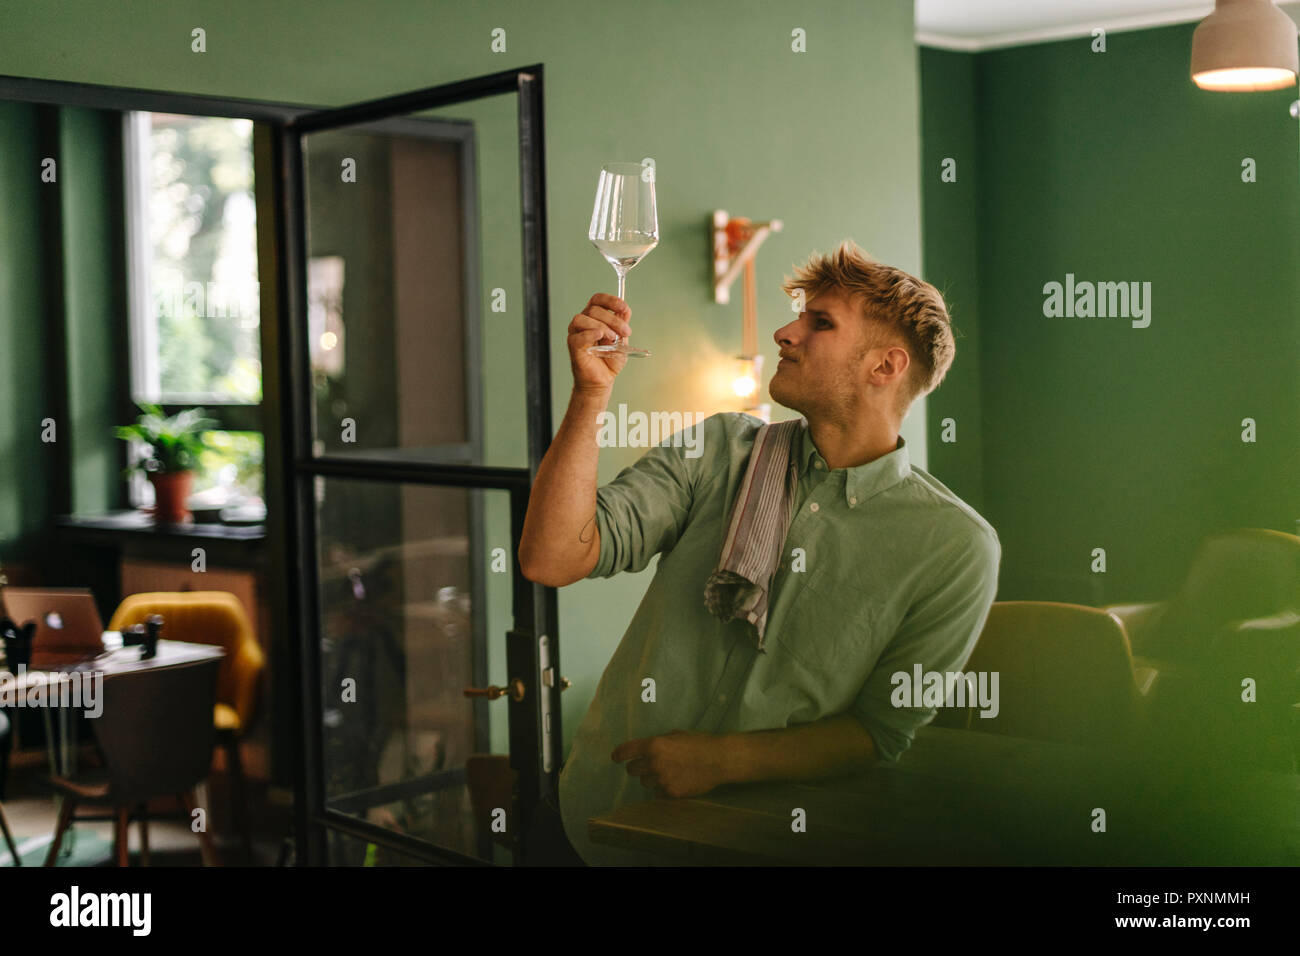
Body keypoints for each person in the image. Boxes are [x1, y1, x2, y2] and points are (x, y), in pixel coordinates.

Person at [518, 240, 1001, 866]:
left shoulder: (956, 547)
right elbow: (551, 559)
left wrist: (721, 762)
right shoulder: (720, 448)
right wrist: (590, 396)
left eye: (819, 322)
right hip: (587, 824)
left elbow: (880, 733)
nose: (785, 331)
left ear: (885, 367)